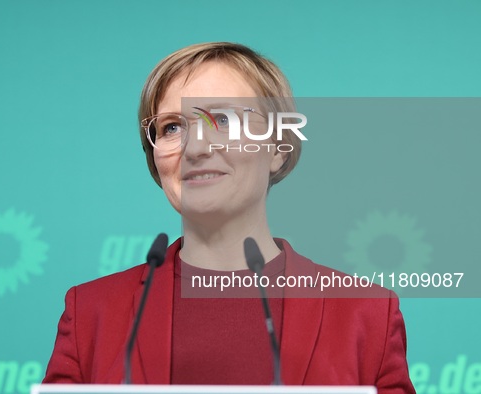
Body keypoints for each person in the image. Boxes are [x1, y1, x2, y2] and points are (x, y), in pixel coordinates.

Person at [42, 42, 415, 393]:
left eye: (222, 119)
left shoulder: (366, 314)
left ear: (277, 149)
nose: (197, 147)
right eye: (172, 127)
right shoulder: (91, 312)